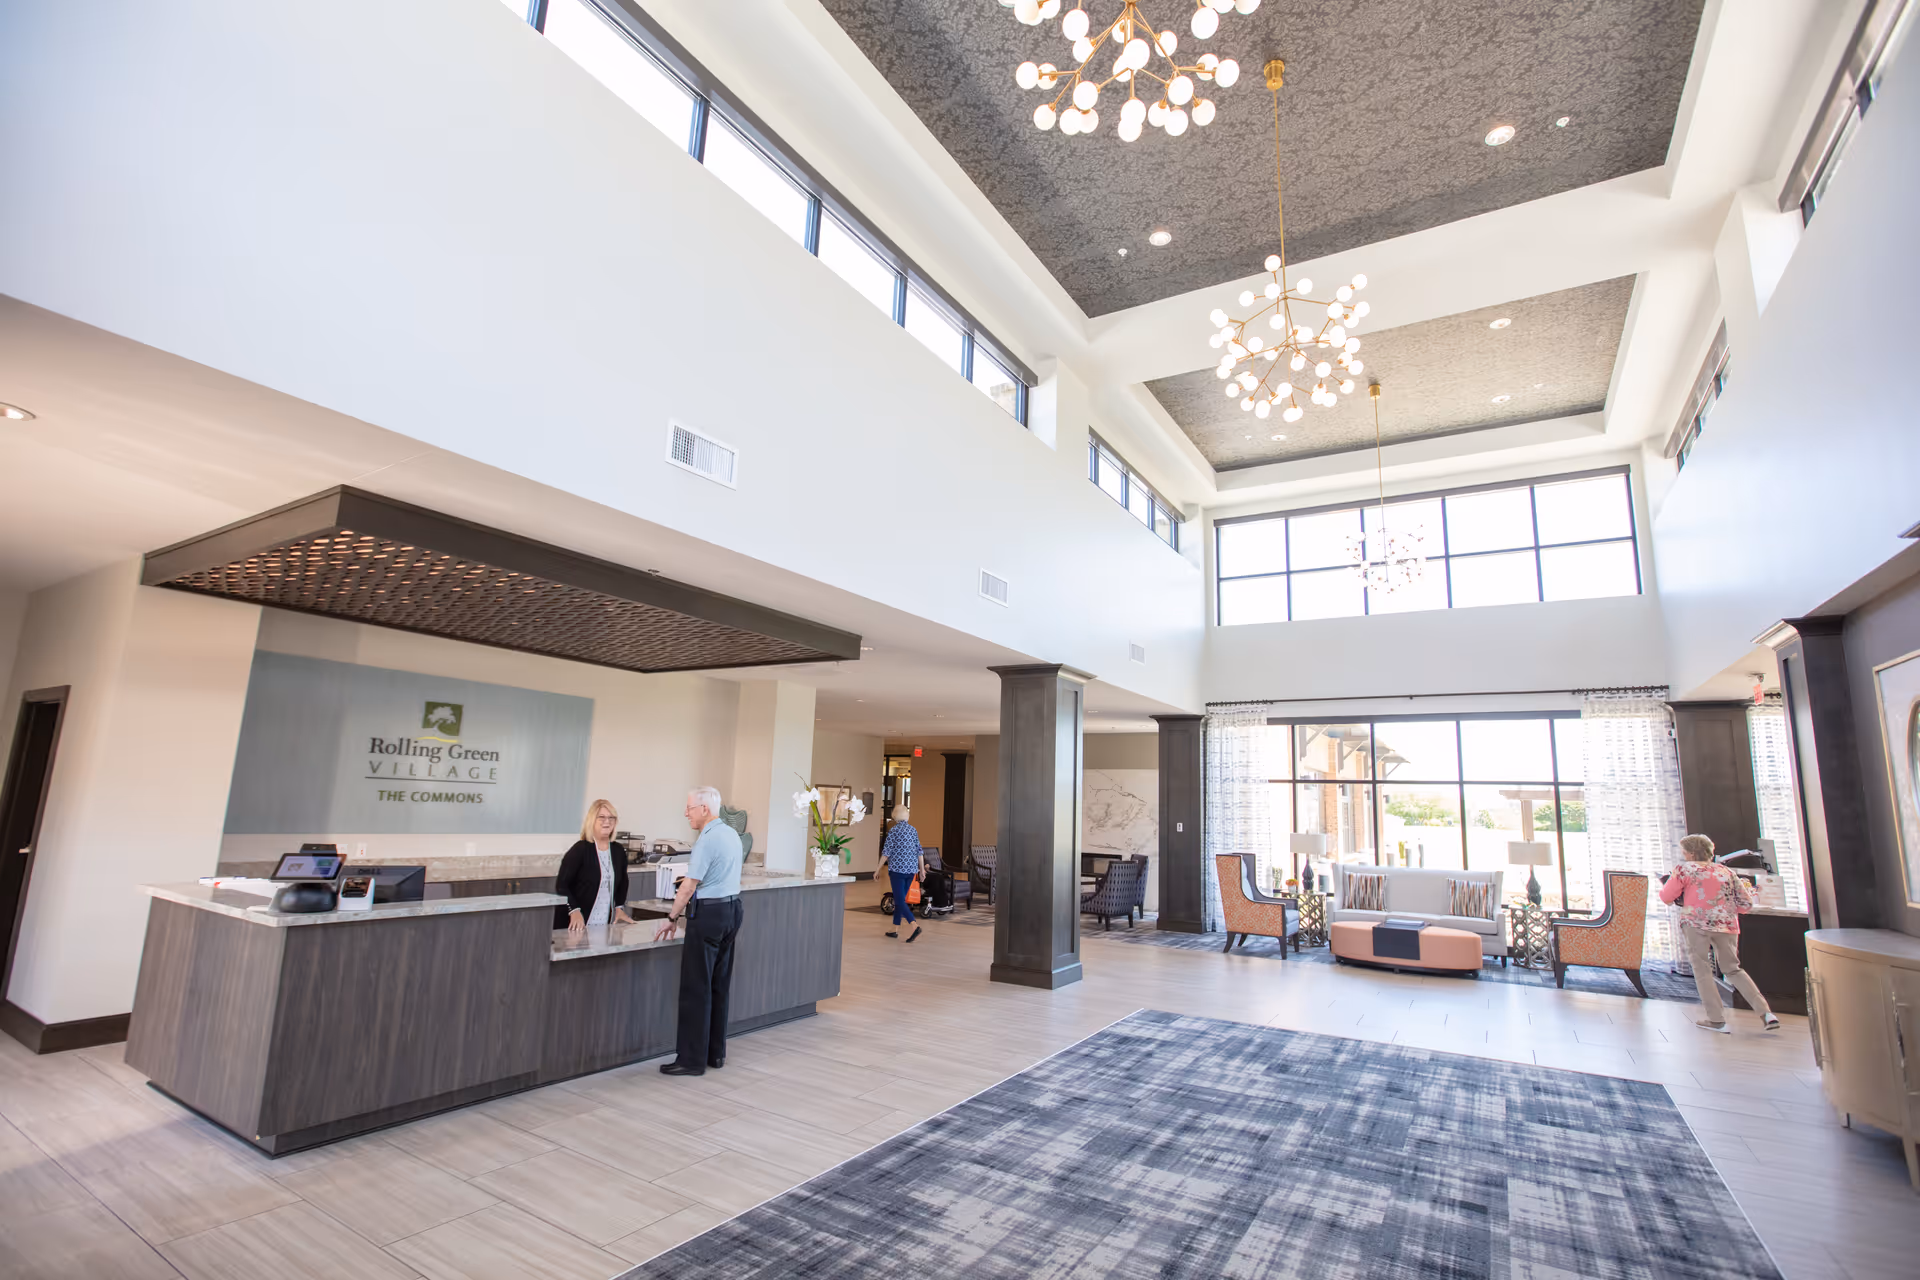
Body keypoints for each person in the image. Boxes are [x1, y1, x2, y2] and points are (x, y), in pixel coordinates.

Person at [653, 786, 744, 1076]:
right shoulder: (731, 834)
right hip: (732, 911)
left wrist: (671, 917)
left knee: (696, 988)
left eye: (689, 807)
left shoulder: (706, 839)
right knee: (719, 985)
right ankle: (715, 1054)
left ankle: (691, 1060)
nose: (686, 813)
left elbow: (689, 886)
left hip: (709, 915)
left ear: (704, 809)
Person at [1659, 833, 1781, 1034]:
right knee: (1733, 969)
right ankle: (1766, 1013)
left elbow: (1666, 896)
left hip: (1696, 924)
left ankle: (1717, 1020)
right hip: (1726, 925)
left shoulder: (1683, 870)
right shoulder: (1726, 872)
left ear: (1690, 853)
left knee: (1702, 970)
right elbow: (1745, 904)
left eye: (1684, 851)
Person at [555, 798, 635, 933]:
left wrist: (619, 908)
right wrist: (574, 910)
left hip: (604, 921)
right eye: (601, 817)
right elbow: (562, 885)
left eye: (611, 818)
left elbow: (623, 883)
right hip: (576, 923)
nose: (607, 822)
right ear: (592, 820)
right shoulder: (580, 849)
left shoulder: (618, 851)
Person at [880, 806, 925, 943]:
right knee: (900, 900)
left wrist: (877, 869)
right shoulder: (913, 830)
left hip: (897, 871)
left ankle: (914, 925)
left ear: (894, 816)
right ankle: (895, 929)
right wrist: (921, 870)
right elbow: (919, 851)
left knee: (899, 900)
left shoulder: (893, 831)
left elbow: (886, 852)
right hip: (911, 871)